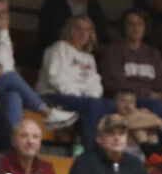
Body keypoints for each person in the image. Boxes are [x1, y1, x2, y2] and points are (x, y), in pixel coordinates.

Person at [0, 0, 70, 136]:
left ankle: (12, 143)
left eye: (3, 13)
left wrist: (3, 34)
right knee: (11, 77)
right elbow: (4, 64)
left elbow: (7, 66)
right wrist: (4, 32)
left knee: (14, 95)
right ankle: (46, 112)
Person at [99, 10, 162, 137]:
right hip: (127, 100)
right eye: (130, 24)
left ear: (145, 28)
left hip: (154, 97)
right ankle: (159, 147)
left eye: (139, 24)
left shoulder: (152, 53)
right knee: (157, 105)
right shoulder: (115, 51)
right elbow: (115, 83)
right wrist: (151, 94)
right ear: (124, 28)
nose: (135, 28)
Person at [36, 16, 112, 150]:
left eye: (87, 30)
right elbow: (55, 78)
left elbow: (94, 84)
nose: (83, 33)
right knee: (92, 106)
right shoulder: (59, 48)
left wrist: (87, 97)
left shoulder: (89, 57)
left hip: (81, 99)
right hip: (52, 96)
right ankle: (89, 151)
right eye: (78, 28)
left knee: (107, 105)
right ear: (70, 30)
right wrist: (79, 95)